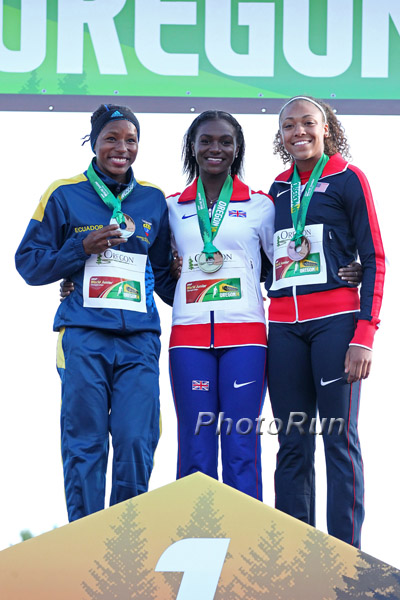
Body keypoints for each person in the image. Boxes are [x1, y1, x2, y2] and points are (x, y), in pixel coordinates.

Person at [15, 104, 175, 521]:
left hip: (139, 340)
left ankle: (126, 536)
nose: (122, 148)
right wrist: (78, 249)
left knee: (136, 439)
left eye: (131, 140)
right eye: (111, 139)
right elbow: (28, 263)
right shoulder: (64, 193)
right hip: (84, 336)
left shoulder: (153, 199)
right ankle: (85, 537)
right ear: (94, 142)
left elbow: (164, 276)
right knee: (84, 443)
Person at [266, 96, 385, 546]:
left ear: (326, 128)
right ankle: (297, 556)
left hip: (336, 324)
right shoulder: (277, 188)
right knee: (292, 443)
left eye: (308, 123)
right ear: (281, 135)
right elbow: (263, 253)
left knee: (338, 439)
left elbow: (374, 258)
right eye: (289, 125)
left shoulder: (348, 178)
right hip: (284, 329)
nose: (299, 131)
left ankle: (345, 558)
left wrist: (365, 334)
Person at [166, 110, 275, 500]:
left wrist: (347, 267)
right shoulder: (172, 207)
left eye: (225, 141)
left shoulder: (261, 205)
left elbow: (280, 264)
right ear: (192, 147)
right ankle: (194, 532)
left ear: (237, 148)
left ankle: (246, 535)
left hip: (246, 339)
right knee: (194, 447)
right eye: (206, 140)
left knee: (240, 445)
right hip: (188, 340)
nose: (216, 148)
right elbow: (156, 266)